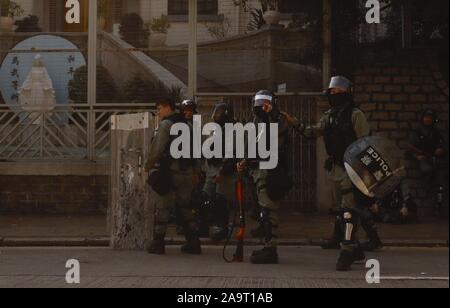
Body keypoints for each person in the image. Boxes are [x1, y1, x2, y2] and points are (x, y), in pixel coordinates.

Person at [283, 76, 382, 271]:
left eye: (338, 92)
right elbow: (312, 132)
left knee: (348, 211)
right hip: (336, 168)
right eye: (332, 92)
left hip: (352, 168)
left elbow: (366, 144)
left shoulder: (356, 115)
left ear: (347, 93)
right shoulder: (328, 116)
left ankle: (346, 251)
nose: (334, 94)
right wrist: (294, 122)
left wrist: (368, 174)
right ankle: (353, 247)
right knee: (341, 210)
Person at [237, 90, 293, 264]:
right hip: (257, 170)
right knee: (263, 210)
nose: (262, 105)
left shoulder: (278, 119)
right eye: (259, 102)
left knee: (269, 210)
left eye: (266, 102)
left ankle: (271, 249)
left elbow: (278, 131)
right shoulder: (256, 122)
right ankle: (268, 246)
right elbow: (253, 144)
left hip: (271, 171)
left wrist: (272, 115)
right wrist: (244, 161)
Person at [145, 98, 202, 255]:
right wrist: (196, 172)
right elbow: (197, 151)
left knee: (162, 206)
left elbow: (157, 149)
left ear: (168, 108)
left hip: (170, 171)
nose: (158, 112)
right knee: (185, 207)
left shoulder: (166, 124)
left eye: (160, 108)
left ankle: (158, 243)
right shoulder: (188, 124)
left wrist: (147, 166)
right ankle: (193, 242)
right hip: (188, 172)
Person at [202, 102, 238, 241]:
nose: (215, 115)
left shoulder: (234, 129)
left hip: (224, 170)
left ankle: (222, 227)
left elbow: (233, 152)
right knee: (205, 197)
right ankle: (204, 225)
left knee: (220, 199)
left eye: (219, 112)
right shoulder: (217, 128)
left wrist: (223, 170)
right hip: (212, 169)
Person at [407, 109, 447, 216]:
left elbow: (442, 144)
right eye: (426, 117)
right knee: (427, 170)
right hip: (424, 158)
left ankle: (438, 206)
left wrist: (441, 149)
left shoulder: (436, 131)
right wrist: (417, 156)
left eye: (430, 118)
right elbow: (410, 147)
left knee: (440, 183)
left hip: (435, 159)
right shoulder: (417, 131)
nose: (428, 119)